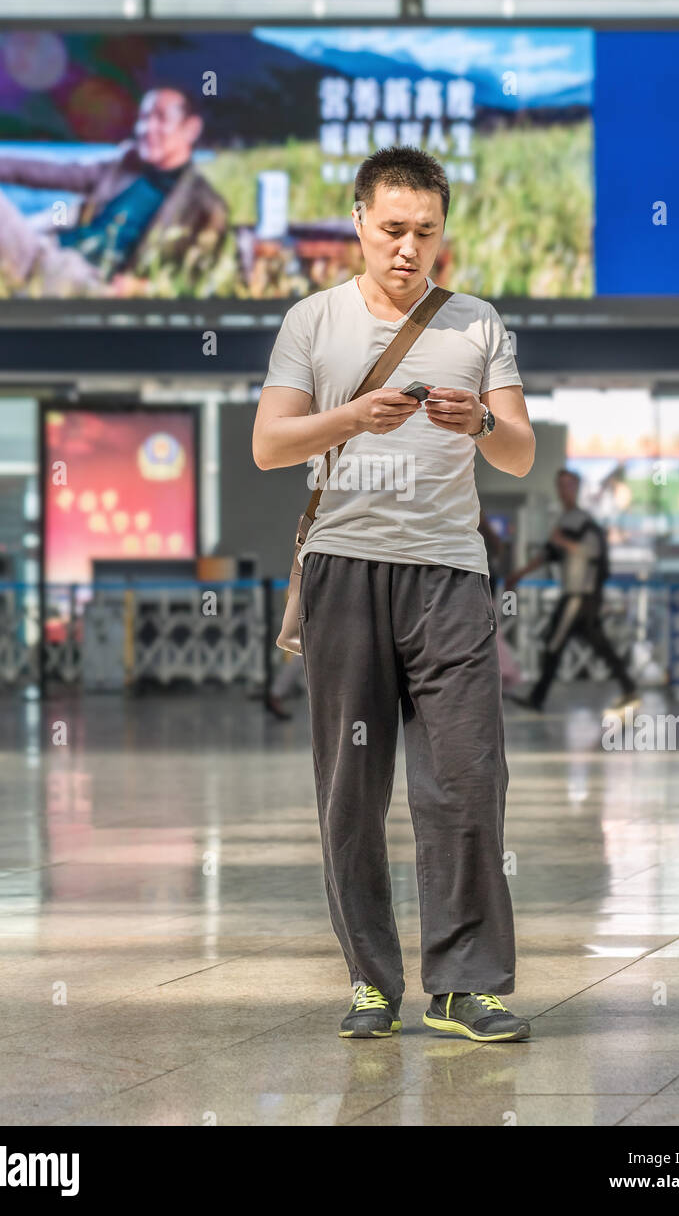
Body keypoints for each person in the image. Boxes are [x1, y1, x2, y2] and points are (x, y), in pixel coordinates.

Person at [253, 144, 536, 1043]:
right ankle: (370, 979)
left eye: (426, 232)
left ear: (443, 233)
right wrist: (352, 417)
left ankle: (467, 984)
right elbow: (270, 445)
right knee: (352, 783)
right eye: (392, 230)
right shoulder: (313, 320)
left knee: (465, 777)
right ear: (360, 226)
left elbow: (520, 450)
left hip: (451, 574)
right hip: (344, 566)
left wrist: (482, 420)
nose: (409, 249)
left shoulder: (477, 324)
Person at [0, 87, 230, 297]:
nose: (146, 129)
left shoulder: (203, 204)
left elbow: (200, 278)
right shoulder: (124, 166)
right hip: (45, 253)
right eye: (143, 118)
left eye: (160, 119)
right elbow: (53, 173)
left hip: (88, 279)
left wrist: (141, 288)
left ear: (190, 129)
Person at [507, 467, 638, 714]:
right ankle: (628, 686)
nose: (563, 490)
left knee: (555, 643)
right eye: (561, 485)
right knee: (596, 643)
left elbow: (591, 551)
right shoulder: (568, 520)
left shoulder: (580, 522)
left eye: (569, 485)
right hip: (577, 595)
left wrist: (562, 543)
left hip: (579, 596)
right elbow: (548, 554)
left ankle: (538, 697)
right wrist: (519, 574)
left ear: (577, 489)